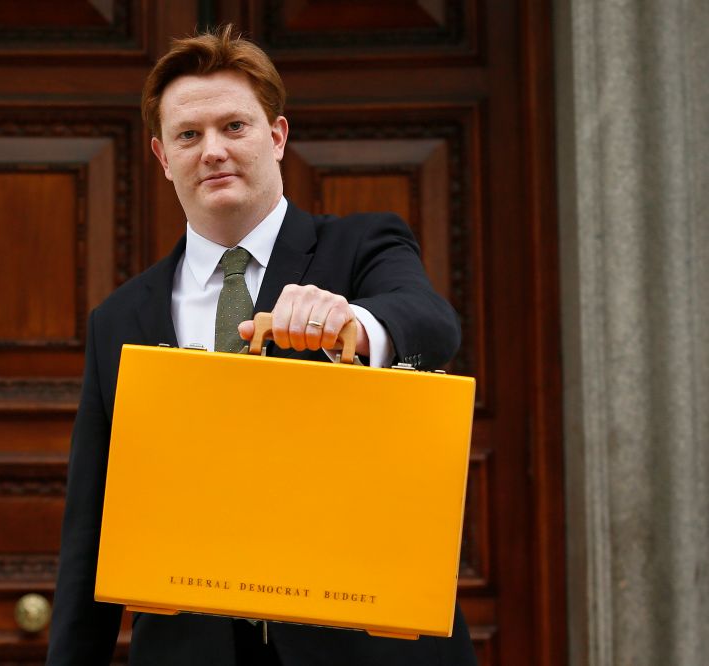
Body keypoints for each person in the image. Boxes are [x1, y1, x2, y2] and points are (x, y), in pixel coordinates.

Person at [46, 24, 476, 666]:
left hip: (361, 648)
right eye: (189, 135)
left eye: (234, 127)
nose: (212, 150)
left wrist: (353, 325)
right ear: (164, 158)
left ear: (276, 136)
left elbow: (431, 321)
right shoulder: (119, 319)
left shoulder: (361, 246)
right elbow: (92, 528)